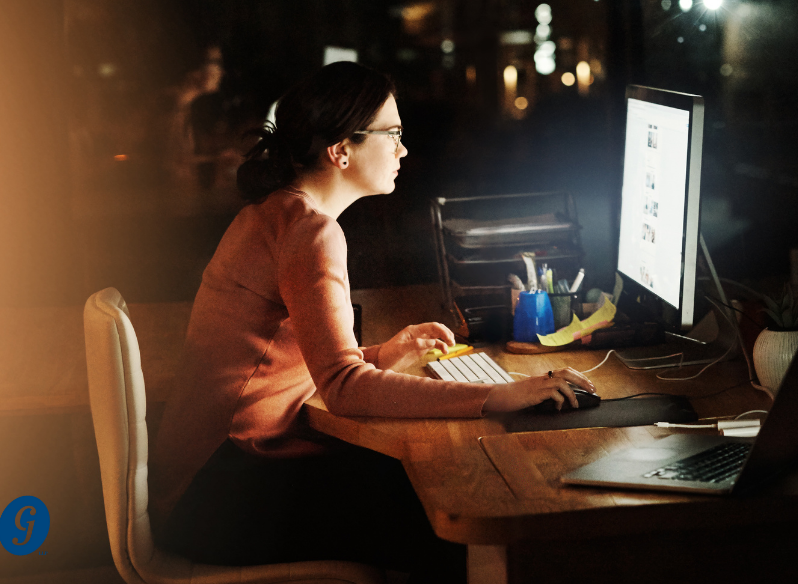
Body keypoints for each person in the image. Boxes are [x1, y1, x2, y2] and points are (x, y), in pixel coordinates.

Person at [148, 61, 595, 582]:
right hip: (218, 496)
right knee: (444, 505)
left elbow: (288, 362)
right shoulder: (310, 233)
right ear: (341, 150)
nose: (404, 150)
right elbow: (342, 388)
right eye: (394, 134)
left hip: (202, 486)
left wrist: (383, 353)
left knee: (420, 486)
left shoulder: (275, 213)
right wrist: (500, 394)